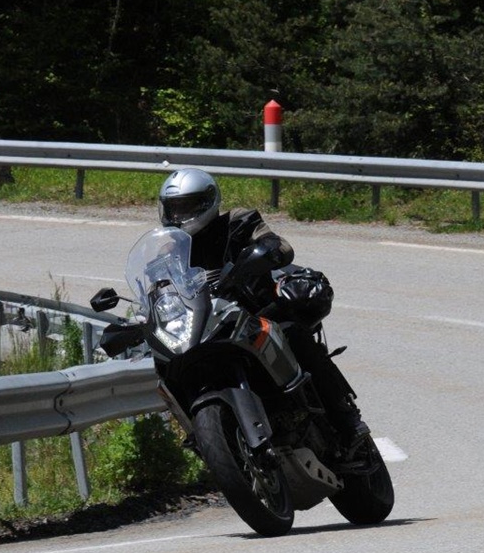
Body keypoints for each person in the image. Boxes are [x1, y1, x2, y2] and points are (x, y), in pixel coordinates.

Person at [156, 167, 371, 457]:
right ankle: (209, 438)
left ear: (208, 202)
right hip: (208, 323)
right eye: (175, 208)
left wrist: (263, 254)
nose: (181, 216)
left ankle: (346, 418)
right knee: (170, 366)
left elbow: (276, 243)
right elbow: (158, 289)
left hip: (258, 310)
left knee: (292, 332)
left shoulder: (238, 222)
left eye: (188, 207)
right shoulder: (170, 251)